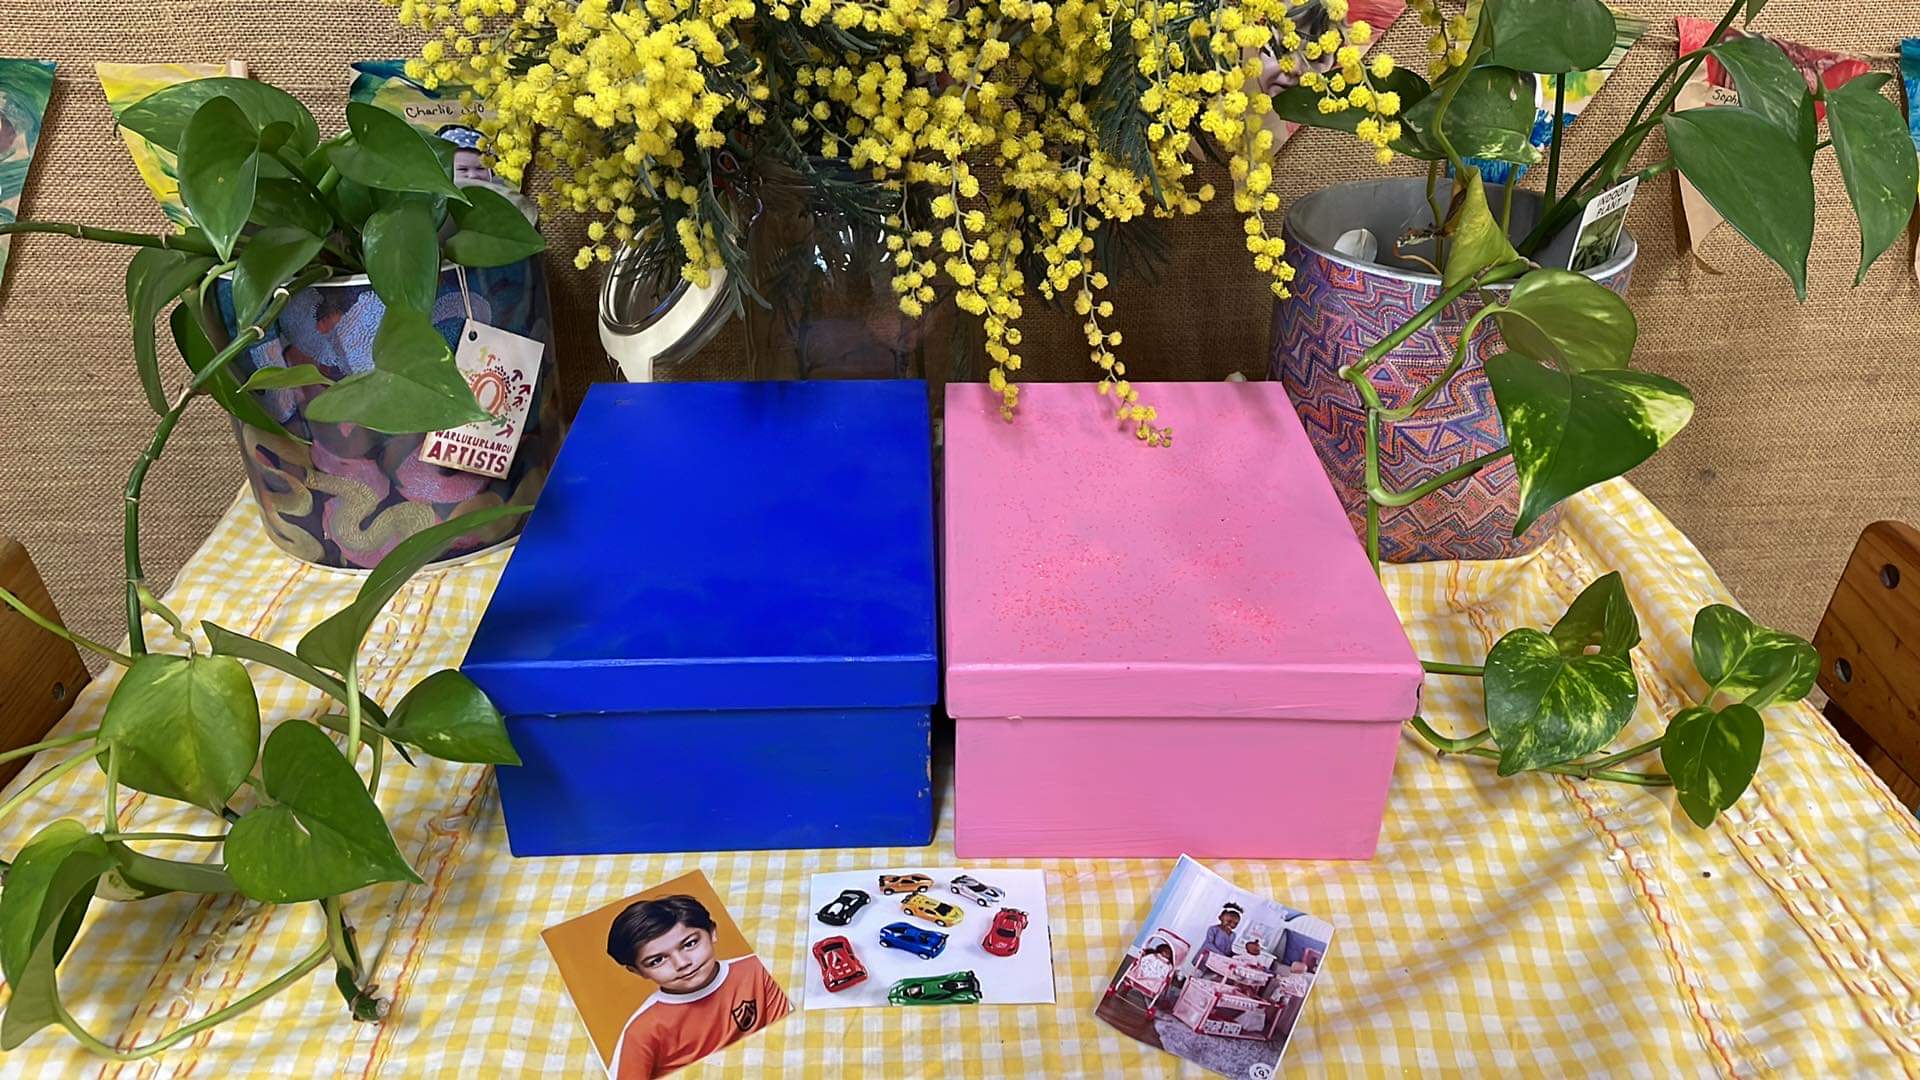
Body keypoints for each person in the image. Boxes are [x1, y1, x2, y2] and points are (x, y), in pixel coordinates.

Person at [605, 894, 790, 1079]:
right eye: (657, 960)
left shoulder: (758, 969)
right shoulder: (641, 1030)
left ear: (712, 932)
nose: (682, 963)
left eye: (690, 943)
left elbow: (786, 1037)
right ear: (637, 971)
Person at [1194, 902, 1242, 973]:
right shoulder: (1213, 929)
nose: (1231, 925)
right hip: (1206, 958)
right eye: (1229, 921)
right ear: (1220, 918)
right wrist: (1222, 956)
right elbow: (1208, 944)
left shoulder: (1233, 935)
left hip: (1218, 961)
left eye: (1235, 923)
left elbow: (1228, 950)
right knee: (1198, 974)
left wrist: (1236, 956)